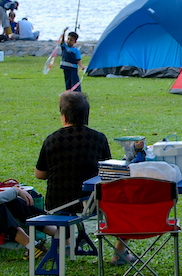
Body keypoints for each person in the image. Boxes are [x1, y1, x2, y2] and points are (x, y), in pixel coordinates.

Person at [34, 92, 127, 265]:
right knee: (125, 204)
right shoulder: (98, 138)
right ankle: (119, 253)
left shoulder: (51, 140)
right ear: (87, 115)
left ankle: (68, 244)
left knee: (64, 212)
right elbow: (107, 171)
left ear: (63, 116)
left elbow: (40, 174)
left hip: (58, 203)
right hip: (93, 203)